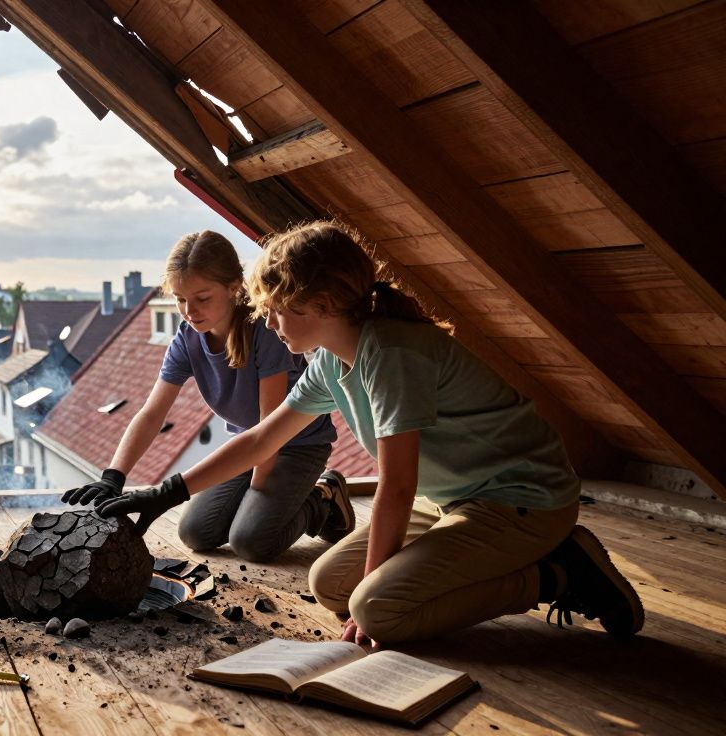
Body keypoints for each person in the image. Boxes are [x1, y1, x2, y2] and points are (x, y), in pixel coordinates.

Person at [96, 221, 643, 644]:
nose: (274, 323)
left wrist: (371, 596)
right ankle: (500, 568)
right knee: (329, 585)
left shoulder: (391, 354)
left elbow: (397, 487)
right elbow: (262, 439)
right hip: (455, 500)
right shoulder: (331, 361)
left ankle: (558, 575)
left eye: (280, 310)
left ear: (323, 305)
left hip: (521, 500)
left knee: (375, 609)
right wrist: (164, 492)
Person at [62, 230, 350, 562]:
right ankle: (272, 508)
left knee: (251, 541)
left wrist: (257, 498)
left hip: (295, 445)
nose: (189, 310)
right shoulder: (187, 338)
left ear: (233, 287)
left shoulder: (266, 330)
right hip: (247, 444)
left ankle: (323, 498)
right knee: (195, 533)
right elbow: (152, 414)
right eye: (180, 299)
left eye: (202, 298)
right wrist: (114, 476)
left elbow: (268, 430)